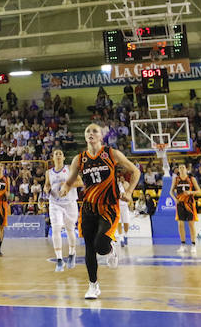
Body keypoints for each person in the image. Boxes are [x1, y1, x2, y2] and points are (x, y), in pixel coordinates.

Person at [61, 123, 140, 300]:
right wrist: (65, 188)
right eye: (87, 130)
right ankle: (93, 286)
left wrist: (128, 192)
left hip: (108, 207)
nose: (90, 133)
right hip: (88, 208)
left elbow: (135, 171)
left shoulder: (112, 154)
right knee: (89, 248)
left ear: (101, 136)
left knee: (100, 244)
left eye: (94, 131)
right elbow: (70, 181)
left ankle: (110, 250)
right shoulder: (79, 159)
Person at [45, 149, 81, 271]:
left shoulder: (70, 168)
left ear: (64, 157)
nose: (59, 155)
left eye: (60, 153)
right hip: (55, 203)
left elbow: (80, 182)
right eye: (56, 154)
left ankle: (72, 253)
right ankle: (59, 260)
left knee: (70, 229)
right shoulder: (48, 172)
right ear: (53, 158)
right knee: (56, 228)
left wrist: (67, 185)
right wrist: (46, 188)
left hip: (70, 203)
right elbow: (47, 185)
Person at [170, 164, 201, 255]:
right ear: (178, 170)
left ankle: (193, 245)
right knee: (180, 224)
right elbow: (171, 191)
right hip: (180, 204)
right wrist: (174, 199)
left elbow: (199, 191)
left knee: (191, 225)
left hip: (190, 204)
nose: (182, 169)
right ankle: (183, 245)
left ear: (186, 169)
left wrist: (190, 192)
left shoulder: (191, 179)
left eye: (183, 167)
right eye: (180, 168)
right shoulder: (176, 179)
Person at [117, 174, 132, 247]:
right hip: (117, 206)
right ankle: (121, 239)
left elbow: (124, 194)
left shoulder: (122, 185)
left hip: (124, 205)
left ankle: (126, 235)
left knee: (126, 222)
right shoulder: (112, 186)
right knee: (119, 223)